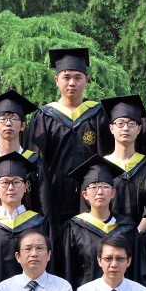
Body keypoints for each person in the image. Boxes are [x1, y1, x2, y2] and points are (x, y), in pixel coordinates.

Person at [24, 48, 107, 232]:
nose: (72, 83)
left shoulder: (98, 114)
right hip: (52, 196)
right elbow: (35, 162)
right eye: (66, 77)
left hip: (91, 196)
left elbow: (105, 156)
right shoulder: (44, 116)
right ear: (56, 80)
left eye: (78, 77)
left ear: (87, 80)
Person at [0, 90, 55, 220]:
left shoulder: (35, 162)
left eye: (14, 118)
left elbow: (45, 206)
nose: (8, 123)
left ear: (23, 126)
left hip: (29, 229)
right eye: (3, 119)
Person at [0, 151, 52, 289]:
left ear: (25, 186)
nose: (10, 188)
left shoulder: (39, 223)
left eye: (16, 182)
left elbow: (51, 265)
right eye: (5, 182)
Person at [60, 155, 138, 287]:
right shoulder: (74, 227)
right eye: (94, 187)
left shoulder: (127, 228)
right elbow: (67, 269)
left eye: (105, 186)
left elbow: (136, 269)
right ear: (85, 194)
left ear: (113, 193)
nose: (100, 192)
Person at [99, 95, 146, 231]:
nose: (126, 128)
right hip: (108, 236)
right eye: (120, 123)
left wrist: (137, 233)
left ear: (139, 129)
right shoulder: (102, 166)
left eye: (131, 124)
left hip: (142, 235)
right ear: (111, 128)